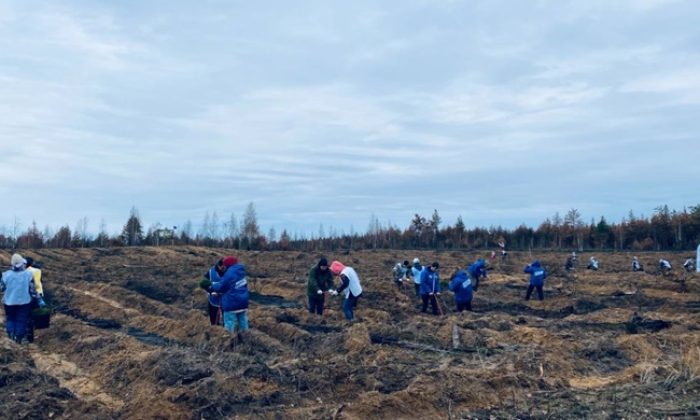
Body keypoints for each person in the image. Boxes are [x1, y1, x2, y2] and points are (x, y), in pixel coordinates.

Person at [1, 253, 37, 343]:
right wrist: (37, 299)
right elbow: (32, 289)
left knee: (10, 318)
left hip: (9, 301)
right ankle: (18, 338)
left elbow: (1, 288)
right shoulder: (29, 274)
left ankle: (11, 335)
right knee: (21, 320)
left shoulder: (6, 275)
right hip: (24, 302)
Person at [210, 256, 249, 341]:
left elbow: (221, 287)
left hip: (231, 303)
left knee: (229, 322)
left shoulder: (229, 273)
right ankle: (246, 338)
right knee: (242, 320)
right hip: (243, 302)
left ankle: (229, 341)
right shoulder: (241, 271)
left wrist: (212, 285)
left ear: (228, 265)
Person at [24, 257, 45, 343]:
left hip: (28, 295)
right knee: (37, 315)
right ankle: (38, 333)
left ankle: (28, 335)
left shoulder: (24, 272)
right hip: (38, 294)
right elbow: (39, 282)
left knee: (27, 316)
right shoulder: (38, 271)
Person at [203, 259, 226, 326]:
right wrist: (211, 292)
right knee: (214, 320)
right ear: (219, 266)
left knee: (228, 320)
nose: (224, 269)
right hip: (213, 300)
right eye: (223, 267)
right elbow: (204, 284)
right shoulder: (211, 272)